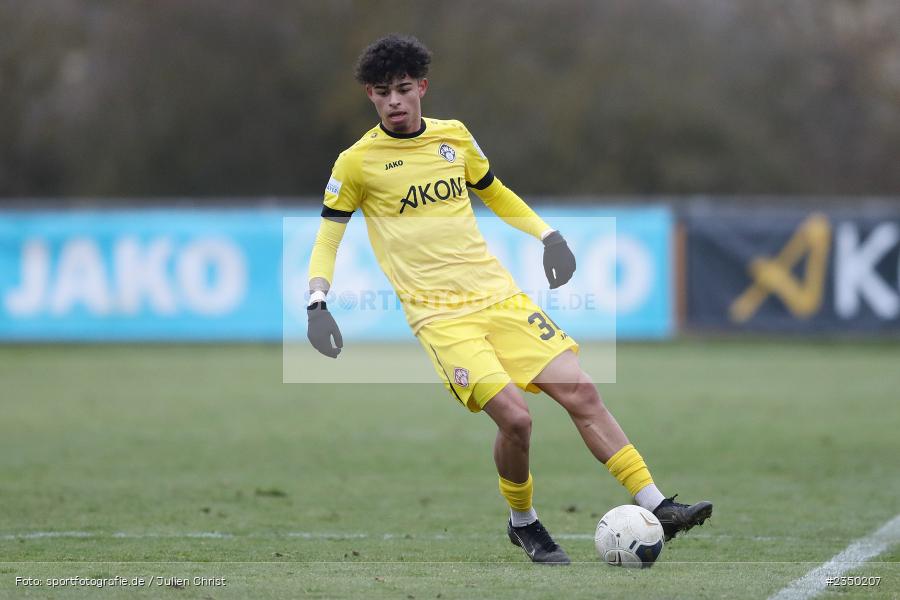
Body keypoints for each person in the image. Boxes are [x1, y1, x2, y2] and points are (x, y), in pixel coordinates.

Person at [306, 34, 712, 565]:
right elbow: (329, 235)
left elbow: (494, 191)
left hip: (498, 295)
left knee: (583, 392)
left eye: (404, 89)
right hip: (439, 316)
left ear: (422, 86)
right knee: (517, 420)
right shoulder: (356, 163)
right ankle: (524, 522)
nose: (395, 101)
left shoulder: (453, 138)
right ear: (370, 96)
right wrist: (317, 302)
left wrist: (549, 236)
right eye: (383, 93)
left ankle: (657, 505)